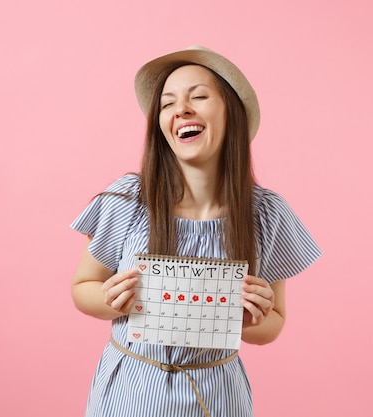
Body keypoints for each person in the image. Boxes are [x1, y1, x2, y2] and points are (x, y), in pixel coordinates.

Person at [70, 45, 321, 417]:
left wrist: (251, 319)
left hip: (217, 398)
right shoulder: (128, 199)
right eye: (168, 103)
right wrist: (109, 297)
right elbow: (81, 288)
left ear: (231, 113)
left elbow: (273, 324)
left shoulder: (268, 214)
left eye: (198, 96)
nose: (181, 110)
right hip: (129, 392)